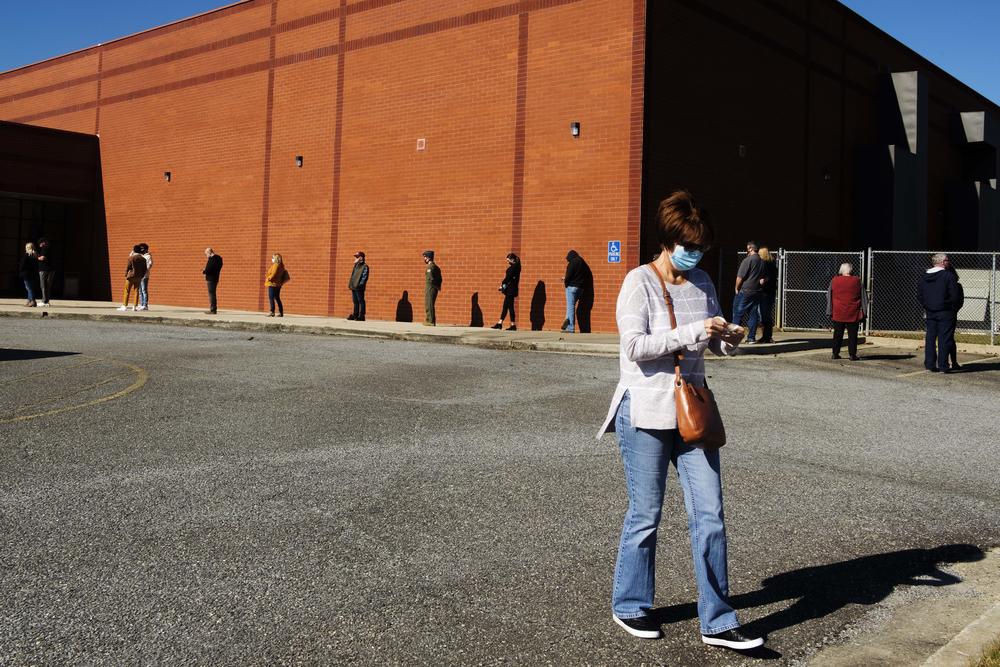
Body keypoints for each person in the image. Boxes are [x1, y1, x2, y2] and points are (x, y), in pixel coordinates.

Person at [597, 190, 763, 651]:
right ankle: (630, 604)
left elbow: (716, 347)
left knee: (710, 513)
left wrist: (732, 336)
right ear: (668, 241)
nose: (695, 253)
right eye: (688, 245)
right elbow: (633, 348)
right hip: (646, 411)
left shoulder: (704, 282)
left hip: (692, 414)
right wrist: (692, 331)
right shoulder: (639, 282)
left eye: (701, 246)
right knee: (646, 514)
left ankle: (719, 620)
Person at [917, 253, 960, 373]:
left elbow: (919, 295)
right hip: (946, 311)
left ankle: (930, 364)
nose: (948, 262)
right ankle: (943, 365)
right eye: (947, 260)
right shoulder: (948, 276)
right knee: (944, 338)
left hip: (930, 312)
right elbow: (954, 295)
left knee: (930, 338)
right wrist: (951, 306)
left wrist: (927, 305)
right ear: (942, 262)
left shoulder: (924, 276)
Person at [826, 262, 867, 360]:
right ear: (851, 270)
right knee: (852, 335)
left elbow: (828, 295)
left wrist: (830, 309)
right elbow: (864, 296)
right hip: (853, 312)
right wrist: (864, 311)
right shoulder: (857, 281)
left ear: (841, 270)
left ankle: (835, 353)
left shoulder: (834, 280)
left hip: (838, 312)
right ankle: (852, 355)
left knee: (837, 334)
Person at [732, 241, 764, 343]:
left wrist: (736, 288)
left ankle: (734, 338)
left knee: (737, 313)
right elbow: (764, 277)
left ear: (750, 248)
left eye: (747, 248)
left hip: (745, 291)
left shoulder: (747, 260)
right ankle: (751, 338)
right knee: (753, 314)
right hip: (757, 291)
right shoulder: (762, 261)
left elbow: (740, 277)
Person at [944, 257, 964, 370]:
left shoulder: (956, 286)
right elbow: (960, 302)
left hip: (949, 313)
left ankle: (952, 362)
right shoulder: (955, 286)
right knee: (949, 338)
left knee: (947, 338)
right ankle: (952, 362)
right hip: (950, 313)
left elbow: (959, 302)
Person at [492, 253, 521, 331]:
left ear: (512, 259)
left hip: (510, 290)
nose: (508, 262)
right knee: (507, 306)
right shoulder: (516, 266)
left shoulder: (514, 267)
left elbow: (508, 278)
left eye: (508, 260)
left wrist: (502, 284)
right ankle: (501, 323)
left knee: (509, 307)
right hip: (510, 289)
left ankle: (510, 324)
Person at [757, 246, 778, 343]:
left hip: (765, 292)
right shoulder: (773, 263)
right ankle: (766, 336)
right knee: (765, 314)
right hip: (770, 292)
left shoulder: (765, 264)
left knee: (764, 314)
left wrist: (763, 280)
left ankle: (767, 336)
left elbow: (767, 277)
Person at [117, 246, 147, 311]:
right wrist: (141, 276)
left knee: (127, 291)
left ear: (134, 250)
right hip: (138, 277)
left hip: (131, 276)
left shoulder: (131, 258)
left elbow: (128, 267)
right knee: (136, 291)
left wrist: (126, 274)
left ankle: (124, 306)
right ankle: (134, 307)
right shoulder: (143, 259)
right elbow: (145, 269)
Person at [563, 250, 586, 333]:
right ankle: (566, 325)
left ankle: (571, 328)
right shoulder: (582, 262)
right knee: (570, 306)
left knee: (571, 307)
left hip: (571, 287)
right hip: (580, 288)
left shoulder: (572, 263)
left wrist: (565, 283)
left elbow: (568, 275)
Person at [263, 253, 288, 317]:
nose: (272, 259)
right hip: (278, 284)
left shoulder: (275, 265)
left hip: (272, 284)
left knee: (271, 298)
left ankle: (272, 311)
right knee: (277, 298)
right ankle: (281, 312)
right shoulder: (281, 266)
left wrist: (268, 278)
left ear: (276, 259)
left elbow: (273, 274)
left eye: (273, 258)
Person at [422, 250, 442, 325]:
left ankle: (430, 321)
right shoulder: (436, 267)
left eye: (425, 257)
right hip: (433, 287)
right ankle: (429, 320)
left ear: (429, 258)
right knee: (429, 303)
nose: (424, 259)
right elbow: (440, 278)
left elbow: (430, 279)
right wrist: (438, 287)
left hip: (430, 287)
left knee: (429, 303)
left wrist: (433, 286)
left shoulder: (430, 267)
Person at [348, 251, 369, 321]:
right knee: (355, 301)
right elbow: (353, 275)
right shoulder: (356, 265)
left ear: (361, 257)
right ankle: (355, 315)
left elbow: (364, 277)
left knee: (361, 301)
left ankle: (362, 315)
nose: (355, 258)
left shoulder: (365, 266)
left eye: (357, 257)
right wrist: (351, 284)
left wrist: (360, 284)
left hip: (359, 287)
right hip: (353, 286)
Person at [203, 247, 223, 314]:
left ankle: (213, 309)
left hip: (211, 279)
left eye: (206, 254)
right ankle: (213, 309)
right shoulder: (219, 259)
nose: (206, 256)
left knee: (211, 294)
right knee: (213, 294)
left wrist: (204, 271)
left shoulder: (212, 259)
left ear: (209, 252)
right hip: (216, 278)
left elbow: (209, 269)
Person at [36, 237, 55, 307]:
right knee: (48, 285)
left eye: (40, 244)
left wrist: (36, 257)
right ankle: (47, 301)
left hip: (44, 269)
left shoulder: (45, 248)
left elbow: (43, 258)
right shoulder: (51, 248)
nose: (39, 245)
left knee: (43, 285)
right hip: (51, 269)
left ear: (43, 243)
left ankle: (44, 301)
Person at [19, 243, 39, 307]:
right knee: (30, 287)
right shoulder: (35, 255)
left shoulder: (26, 255)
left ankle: (33, 301)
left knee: (29, 288)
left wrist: (20, 269)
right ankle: (29, 300)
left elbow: (22, 265)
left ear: (27, 248)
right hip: (33, 273)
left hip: (26, 274)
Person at [136, 243, 153, 311]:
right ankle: (141, 304)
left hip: (145, 276)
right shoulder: (139, 256)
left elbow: (150, 265)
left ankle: (145, 305)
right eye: (140, 248)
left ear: (146, 249)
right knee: (140, 291)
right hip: (139, 275)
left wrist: (144, 271)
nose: (141, 250)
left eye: (142, 248)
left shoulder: (148, 256)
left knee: (144, 290)